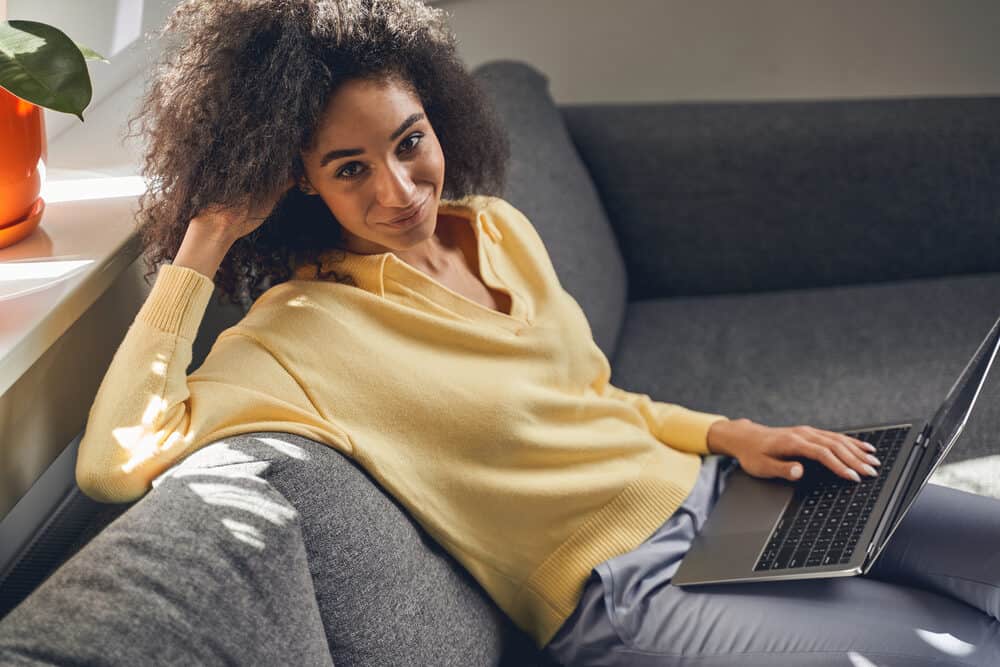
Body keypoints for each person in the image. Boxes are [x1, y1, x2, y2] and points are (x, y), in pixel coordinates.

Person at [76, 1, 1000, 665]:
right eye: (349, 168)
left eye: (410, 141)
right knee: (956, 647)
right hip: (628, 592)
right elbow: (113, 459)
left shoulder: (497, 229)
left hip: (723, 492)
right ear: (298, 183)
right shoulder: (303, 334)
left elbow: (595, 400)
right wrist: (203, 245)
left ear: (439, 116)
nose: (399, 191)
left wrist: (735, 434)